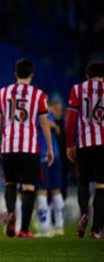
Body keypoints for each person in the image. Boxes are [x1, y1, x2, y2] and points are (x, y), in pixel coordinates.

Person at [0, 58, 54, 238]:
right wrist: (49, 147)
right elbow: (44, 123)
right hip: (29, 147)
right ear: (31, 75)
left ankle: (11, 212)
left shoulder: (3, 92)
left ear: (15, 73)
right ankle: (24, 229)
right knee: (28, 188)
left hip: (9, 145)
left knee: (10, 183)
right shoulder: (39, 95)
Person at [66, 61, 104, 239]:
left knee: (83, 181)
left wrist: (68, 144)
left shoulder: (77, 89)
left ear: (87, 75)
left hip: (84, 144)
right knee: (101, 187)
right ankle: (96, 230)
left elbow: (72, 119)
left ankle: (84, 213)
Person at [35, 101, 65, 238]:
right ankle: (59, 226)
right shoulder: (50, 113)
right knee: (56, 190)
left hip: (43, 154)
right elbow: (56, 118)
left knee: (42, 190)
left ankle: (44, 228)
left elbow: (45, 122)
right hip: (56, 154)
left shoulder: (37, 113)